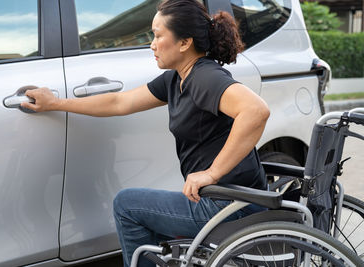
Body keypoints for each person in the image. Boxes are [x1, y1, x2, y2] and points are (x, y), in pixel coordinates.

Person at [21, 0, 270, 266]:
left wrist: (212, 173)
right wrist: (56, 103)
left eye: (158, 35)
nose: (151, 44)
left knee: (127, 205)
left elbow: (256, 111)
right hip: (223, 200)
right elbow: (120, 102)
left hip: (229, 205)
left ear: (185, 42)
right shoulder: (178, 78)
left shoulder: (204, 77)